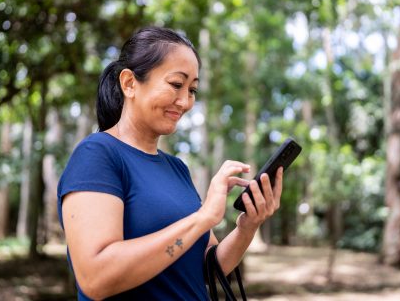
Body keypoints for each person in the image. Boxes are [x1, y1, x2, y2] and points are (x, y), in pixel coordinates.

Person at [57, 26, 283, 300]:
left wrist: (247, 226)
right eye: (176, 84)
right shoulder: (97, 154)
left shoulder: (177, 168)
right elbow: (95, 278)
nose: (185, 101)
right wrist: (202, 219)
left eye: (192, 89)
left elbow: (207, 270)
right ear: (129, 83)